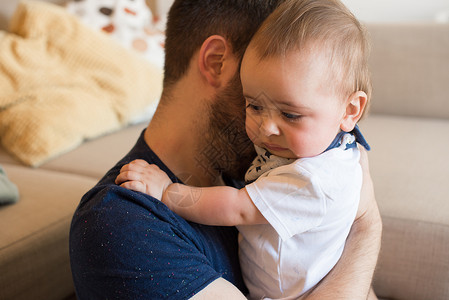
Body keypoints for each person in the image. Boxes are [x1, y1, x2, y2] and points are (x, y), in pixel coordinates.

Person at [69, 0, 382, 299]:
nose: (268, 129)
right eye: (256, 104)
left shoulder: (290, 154)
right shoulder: (125, 224)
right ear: (216, 62)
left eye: (289, 113)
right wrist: (366, 225)